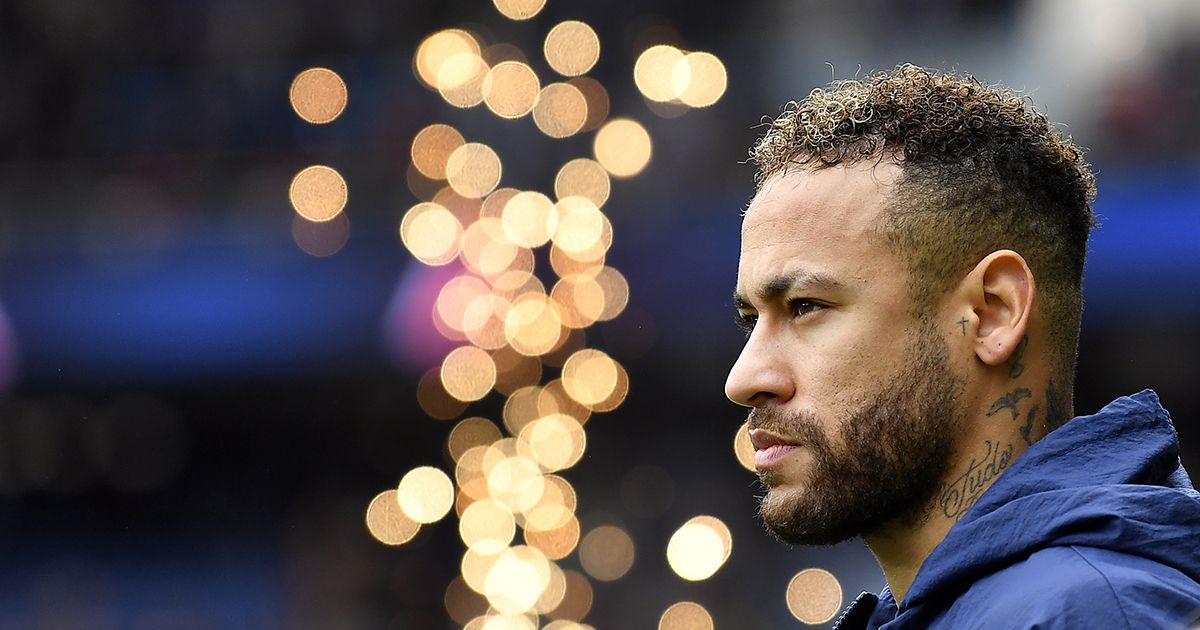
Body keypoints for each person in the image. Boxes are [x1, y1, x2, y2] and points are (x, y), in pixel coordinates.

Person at [724, 64, 1200, 629]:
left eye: (806, 307)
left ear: (991, 314)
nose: (744, 377)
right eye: (750, 319)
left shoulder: (1089, 613)